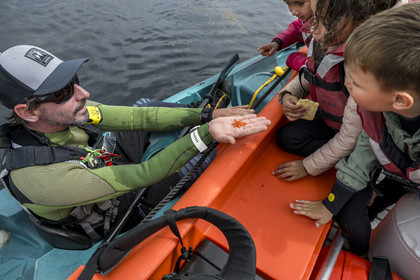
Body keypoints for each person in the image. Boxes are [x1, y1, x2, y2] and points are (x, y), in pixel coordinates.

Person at [0, 45, 271, 240]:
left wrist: (205, 114)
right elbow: (145, 174)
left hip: (100, 167)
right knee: (201, 158)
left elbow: (136, 116)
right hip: (120, 209)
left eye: (75, 81)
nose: (84, 93)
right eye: (64, 91)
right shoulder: (42, 180)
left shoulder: (65, 114)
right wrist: (207, 132)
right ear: (28, 112)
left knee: (144, 104)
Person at [290, 2, 420, 256]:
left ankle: (361, 254)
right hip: (401, 167)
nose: (346, 82)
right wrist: (330, 204)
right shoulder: (378, 111)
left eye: (356, 83)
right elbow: (362, 153)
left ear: (400, 100)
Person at [273, 0, 397, 182]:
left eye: (324, 21)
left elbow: (350, 136)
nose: (313, 30)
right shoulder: (324, 41)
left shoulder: (362, 68)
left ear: (361, 21)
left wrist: (308, 166)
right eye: (315, 19)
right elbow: (312, 74)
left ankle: (359, 166)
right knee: (286, 137)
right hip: (332, 124)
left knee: (359, 153)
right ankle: (339, 157)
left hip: (356, 137)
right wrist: (287, 95)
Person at [257, 0, 313, 71]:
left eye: (300, 3)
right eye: (288, 4)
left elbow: (323, 69)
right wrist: (277, 43)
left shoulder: (327, 29)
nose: (293, 12)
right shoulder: (310, 18)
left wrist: (293, 59)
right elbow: (297, 28)